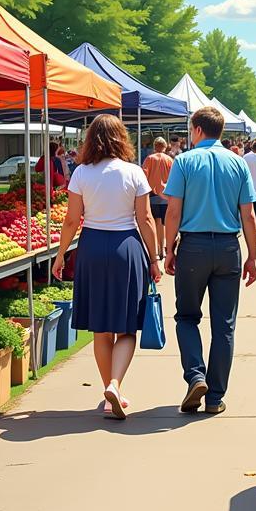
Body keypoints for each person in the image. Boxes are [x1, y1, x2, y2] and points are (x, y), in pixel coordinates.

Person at [52, 114, 161, 421]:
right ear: (121, 138)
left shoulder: (81, 173)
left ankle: (107, 390)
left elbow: (72, 219)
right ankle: (115, 384)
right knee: (126, 326)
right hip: (126, 248)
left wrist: (61, 255)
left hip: (91, 247)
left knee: (102, 328)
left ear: (90, 139)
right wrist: (154, 259)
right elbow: (146, 219)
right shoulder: (134, 172)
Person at [163, 106, 256, 415]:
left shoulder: (185, 161)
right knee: (224, 325)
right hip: (229, 248)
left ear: (198, 130)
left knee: (187, 317)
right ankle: (215, 396)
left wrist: (169, 249)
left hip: (193, 246)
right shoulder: (237, 162)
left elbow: (173, 212)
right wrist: (253, 256)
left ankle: (195, 374)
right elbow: (249, 214)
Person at [142, 137, 174, 259]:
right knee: (165, 223)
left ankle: (157, 249)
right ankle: (164, 248)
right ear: (165, 147)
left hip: (152, 195)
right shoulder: (169, 160)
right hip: (166, 196)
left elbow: (143, 176)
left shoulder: (149, 159)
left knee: (155, 222)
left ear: (155, 146)